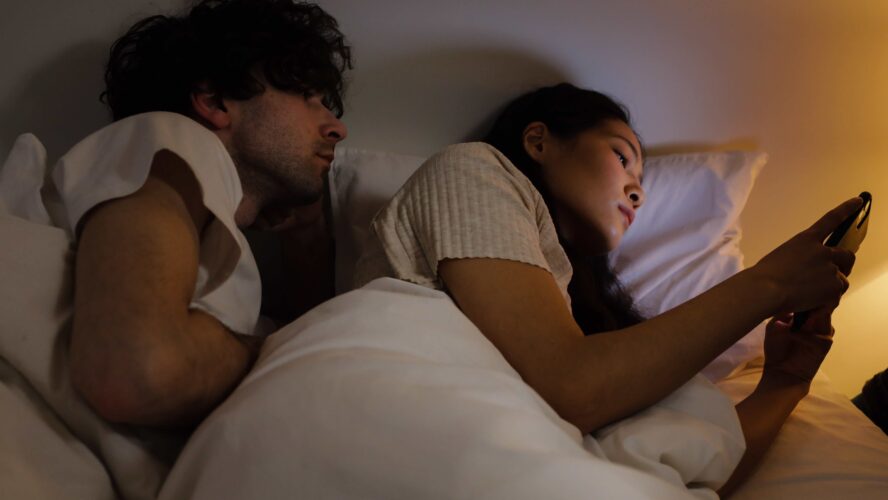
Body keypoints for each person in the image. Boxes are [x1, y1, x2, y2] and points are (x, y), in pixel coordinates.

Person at [354, 83, 860, 494]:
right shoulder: (470, 169)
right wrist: (769, 283)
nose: (638, 189)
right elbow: (571, 388)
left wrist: (787, 381)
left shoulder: (577, 312)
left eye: (640, 179)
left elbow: (685, 470)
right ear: (538, 142)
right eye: (622, 158)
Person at [57, 0, 351, 428]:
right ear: (214, 102)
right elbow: (136, 373)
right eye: (308, 97)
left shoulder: (206, 217)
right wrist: (275, 347)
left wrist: (306, 234)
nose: (337, 128)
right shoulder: (166, 139)